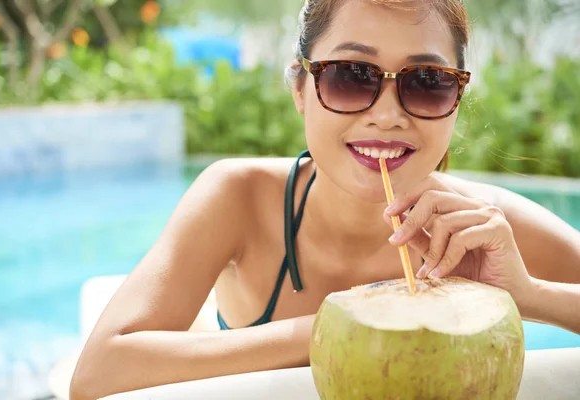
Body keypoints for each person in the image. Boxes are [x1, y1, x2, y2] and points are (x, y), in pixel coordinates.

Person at [69, 0, 580, 398]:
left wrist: (529, 293)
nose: (386, 115)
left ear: (455, 102)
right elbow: (96, 377)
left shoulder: (481, 227)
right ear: (300, 87)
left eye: (427, 83)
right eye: (350, 76)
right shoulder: (238, 198)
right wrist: (340, 328)